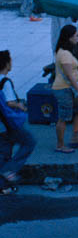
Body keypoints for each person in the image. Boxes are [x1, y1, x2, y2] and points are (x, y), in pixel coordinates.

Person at [0, 51, 35, 192]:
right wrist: (20, 106)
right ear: (6, 63)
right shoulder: (5, 82)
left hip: (1, 127)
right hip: (8, 124)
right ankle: (9, 170)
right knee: (29, 142)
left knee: (4, 153)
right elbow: (10, 102)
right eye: (10, 61)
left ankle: (3, 186)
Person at [51, 24, 78, 154]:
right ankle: (60, 145)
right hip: (64, 89)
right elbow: (69, 75)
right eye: (76, 35)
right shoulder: (65, 54)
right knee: (64, 117)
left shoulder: (64, 52)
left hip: (70, 89)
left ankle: (75, 137)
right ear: (69, 37)